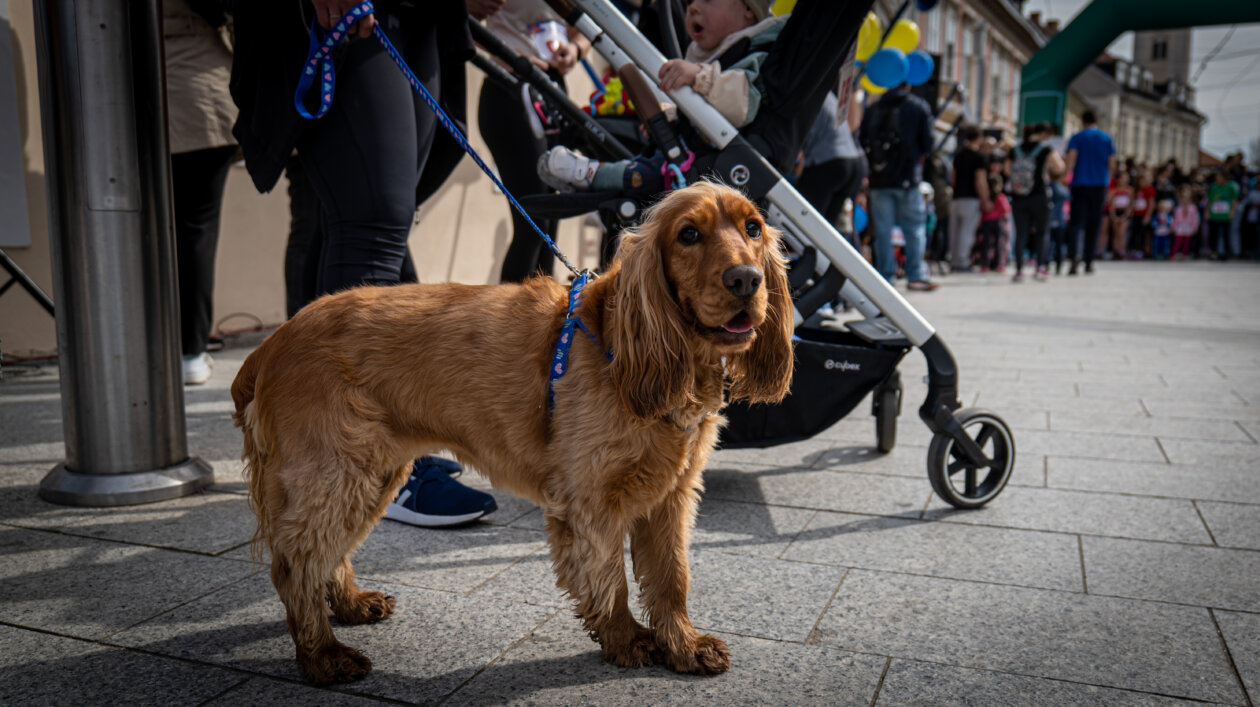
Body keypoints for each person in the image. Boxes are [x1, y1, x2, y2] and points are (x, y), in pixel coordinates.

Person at [229, 0, 505, 526]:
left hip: (414, 15)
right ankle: (370, 460)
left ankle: (337, 443)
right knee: (372, 225)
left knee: (369, 218)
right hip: (346, 14)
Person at [538, 0, 783, 192]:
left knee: (648, 173)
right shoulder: (715, 50)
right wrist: (674, 114)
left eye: (708, 0)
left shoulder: (755, 52)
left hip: (713, 164)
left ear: (749, 9)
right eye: (691, 0)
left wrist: (700, 77)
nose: (694, 7)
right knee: (649, 163)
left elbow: (741, 103)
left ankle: (592, 175)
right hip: (689, 150)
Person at [481, 0, 590, 282]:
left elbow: (588, 25)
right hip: (510, 87)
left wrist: (575, 49)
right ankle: (505, 321)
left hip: (552, 88)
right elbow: (456, 18)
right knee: (533, 222)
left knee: (550, 222)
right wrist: (508, 53)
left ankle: (541, 317)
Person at [164, 0, 237, 386]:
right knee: (196, 227)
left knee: (141, 228)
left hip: (119, 91)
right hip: (197, 85)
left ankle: (151, 344)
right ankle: (190, 350)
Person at [859, 81, 938, 290]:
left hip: (879, 179)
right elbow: (929, 144)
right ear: (907, 83)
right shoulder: (918, 106)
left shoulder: (873, 108)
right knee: (914, 228)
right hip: (908, 179)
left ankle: (886, 277)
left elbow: (862, 140)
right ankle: (915, 275)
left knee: (883, 231)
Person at [1007, 122, 1064, 282]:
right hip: (1039, 196)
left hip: (1018, 197)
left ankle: (1018, 270)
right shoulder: (1045, 149)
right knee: (1042, 233)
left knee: (1021, 234)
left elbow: (1007, 170)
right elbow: (1060, 166)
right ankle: (1040, 268)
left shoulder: (1014, 150)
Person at [1064, 110, 1116, 274]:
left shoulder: (1077, 137)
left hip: (1080, 183)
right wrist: (1108, 181)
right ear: (1096, 120)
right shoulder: (1106, 138)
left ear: (1082, 121)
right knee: (1094, 223)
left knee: (1076, 223)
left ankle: (1074, 258)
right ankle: (1089, 261)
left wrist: (1066, 178)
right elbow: (1112, 163)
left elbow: (1071, 158)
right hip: (1099, 184)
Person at [948, 124, 989, 273]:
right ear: (979, 138)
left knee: (955, 232)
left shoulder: (958, 155)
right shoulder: (979, 158)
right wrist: (985, 199)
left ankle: (954, 261)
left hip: (956, 198)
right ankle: (962, 262)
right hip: (971, 199)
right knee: (967, 232)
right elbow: (980, 180)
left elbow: (952, 178)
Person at [976, 173, 1009, 274]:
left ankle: (985, 264)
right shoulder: (1001, 197)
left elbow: (981, 209)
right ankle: (998, 264)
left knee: (986, 243)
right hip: (998, 222)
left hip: (986, 222)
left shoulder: (985, 198)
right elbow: (1006, 209)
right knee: (998, 243)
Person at [1206, 169, 1240, 260]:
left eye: (1219, 176)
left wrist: (1233, 211)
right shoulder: (1213, 187)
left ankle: (1226, 253)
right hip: (1215, 214)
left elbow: (1235, 200)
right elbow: (1209, 200)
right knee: (1213, 234)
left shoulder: (1231, 186)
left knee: (1226, 234)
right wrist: (1207, 212)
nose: (1217, 178)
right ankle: (1214, 252)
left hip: (1225, 215)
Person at [1046, 168, 1071, 274]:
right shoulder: (1063, 190)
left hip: (1048, 220)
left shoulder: (1046, 189)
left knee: (1048, 243)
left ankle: (1046, 263)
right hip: (1060, 220)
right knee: (1059, 244)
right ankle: (1059, 264)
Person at [1104, 170, 1133, 260]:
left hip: (1124, 213)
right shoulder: (1114, 190)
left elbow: (1130, 204)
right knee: (1116, 233)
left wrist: (1125, 216)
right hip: (1116, 212)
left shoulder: (1130, 190)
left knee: (1122, 232)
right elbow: (1111, 204)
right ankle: (1115, 251)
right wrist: (1113, 215)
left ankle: (1122, 251)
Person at [1129, 170, 1156, 259]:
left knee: (1143, 234)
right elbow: (1132, 201)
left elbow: (1151, 204)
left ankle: (1142, 250)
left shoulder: (1149, 189)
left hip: (1144, 215)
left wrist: (1148, 216)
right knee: (1135, 233)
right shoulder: (1136, 190)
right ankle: (1134, 250)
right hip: (1136, 215)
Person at [1172, 184, 1200, 261]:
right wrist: (1174, 227)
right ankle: (1174, 254)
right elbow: (1175, 219)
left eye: (1186, 199)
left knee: (1186, 242)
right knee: (1178, 242)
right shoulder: (1178, 208)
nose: (1184, 200)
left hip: (1189, 227)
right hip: (1179, 227)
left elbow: (1195, 218)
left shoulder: (1193, 208)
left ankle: (1185, 255)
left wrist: (1195, 227)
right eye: (1182, 199)